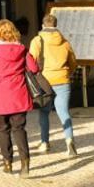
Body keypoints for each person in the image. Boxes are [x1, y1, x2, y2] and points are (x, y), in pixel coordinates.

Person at [0, 18, 39, 178]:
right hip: (19, 94)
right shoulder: (22, 49)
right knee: (19, 129)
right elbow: (34, 68)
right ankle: (25, 163)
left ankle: (7, 163)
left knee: (3, 130)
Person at [28, 14, 78, 158]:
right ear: (56, 25)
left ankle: (45, 142)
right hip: (63, 80)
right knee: (64, 113)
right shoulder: (65, 42)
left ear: (43, 26)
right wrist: (67, 73)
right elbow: (73, 62)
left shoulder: (37, 41)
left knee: (44, 112)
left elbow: (31, 61)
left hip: (45, 82)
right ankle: (70, 143)